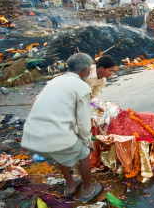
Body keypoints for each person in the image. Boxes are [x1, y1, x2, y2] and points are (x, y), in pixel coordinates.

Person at [21, 53, 102, 202]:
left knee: (61, 149)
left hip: (32, 136)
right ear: (85, 70)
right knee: (84, 152)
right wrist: (87, 141)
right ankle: (87, 190)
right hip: (52, 137)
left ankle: (71, 186)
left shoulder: (54, 81)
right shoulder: (82, 86)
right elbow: (83, 123)